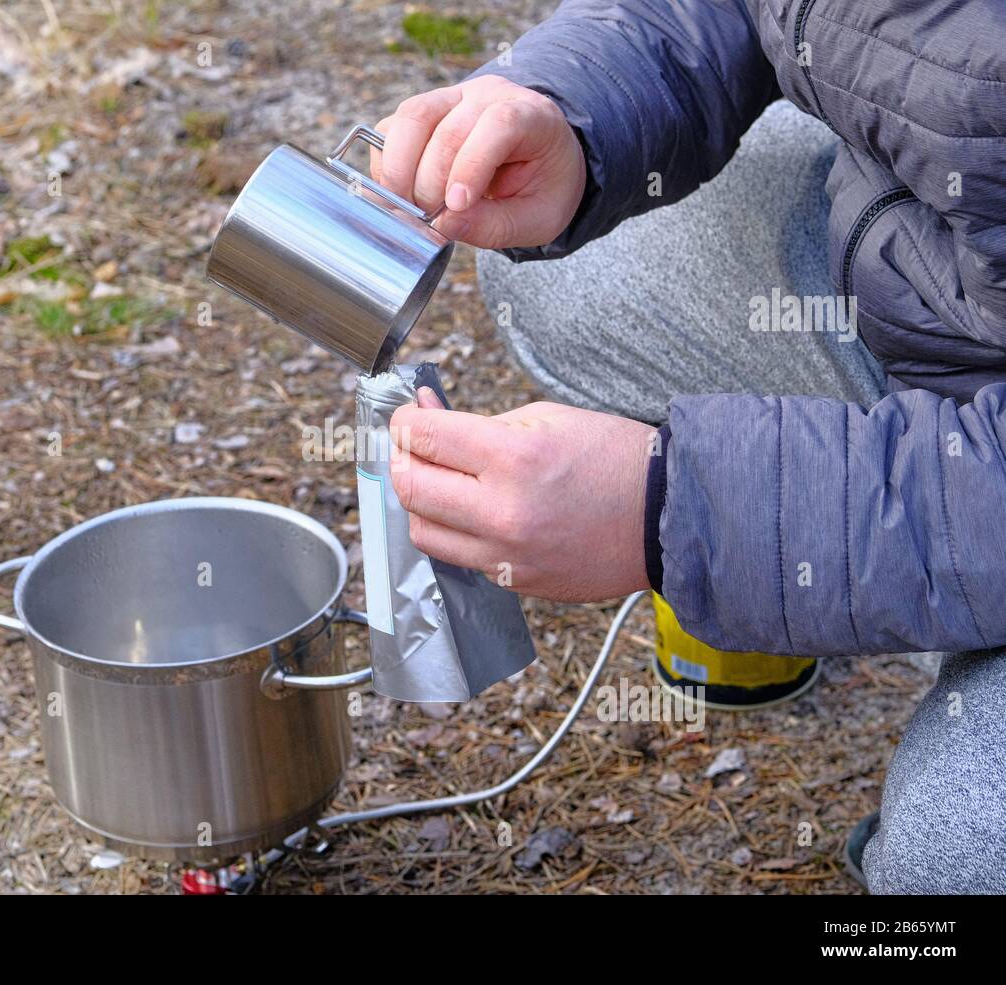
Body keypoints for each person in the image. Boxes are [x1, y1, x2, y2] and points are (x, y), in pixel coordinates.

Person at [370, 0, 1006, 893]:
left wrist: (690, 507)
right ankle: (923, 616)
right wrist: (569, 112)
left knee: (962, 850)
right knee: (583, 281)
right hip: (933, 306)